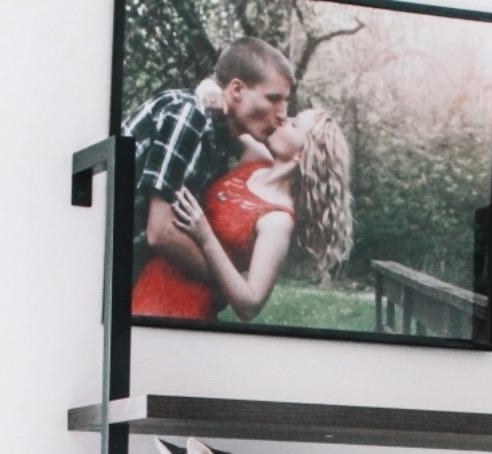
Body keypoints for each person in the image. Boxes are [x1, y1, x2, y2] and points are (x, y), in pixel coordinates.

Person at [134, 104, 352, 322]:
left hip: (184, 308)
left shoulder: (278, 219)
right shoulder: (256, 159)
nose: (284, 119)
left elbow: (250, 306)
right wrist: (210, 89)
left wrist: (206, 237)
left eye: (294, 125)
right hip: (148, 278)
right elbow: (230, 111)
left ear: (302, 155)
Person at [122, 39, 293, 286]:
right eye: (273, 98)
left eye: (285, 101)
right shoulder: (189, 115)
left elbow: (267, 161)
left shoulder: (220, 131)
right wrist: (226, 285)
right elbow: (161, 232)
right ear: (236, 90)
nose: (282, 114)